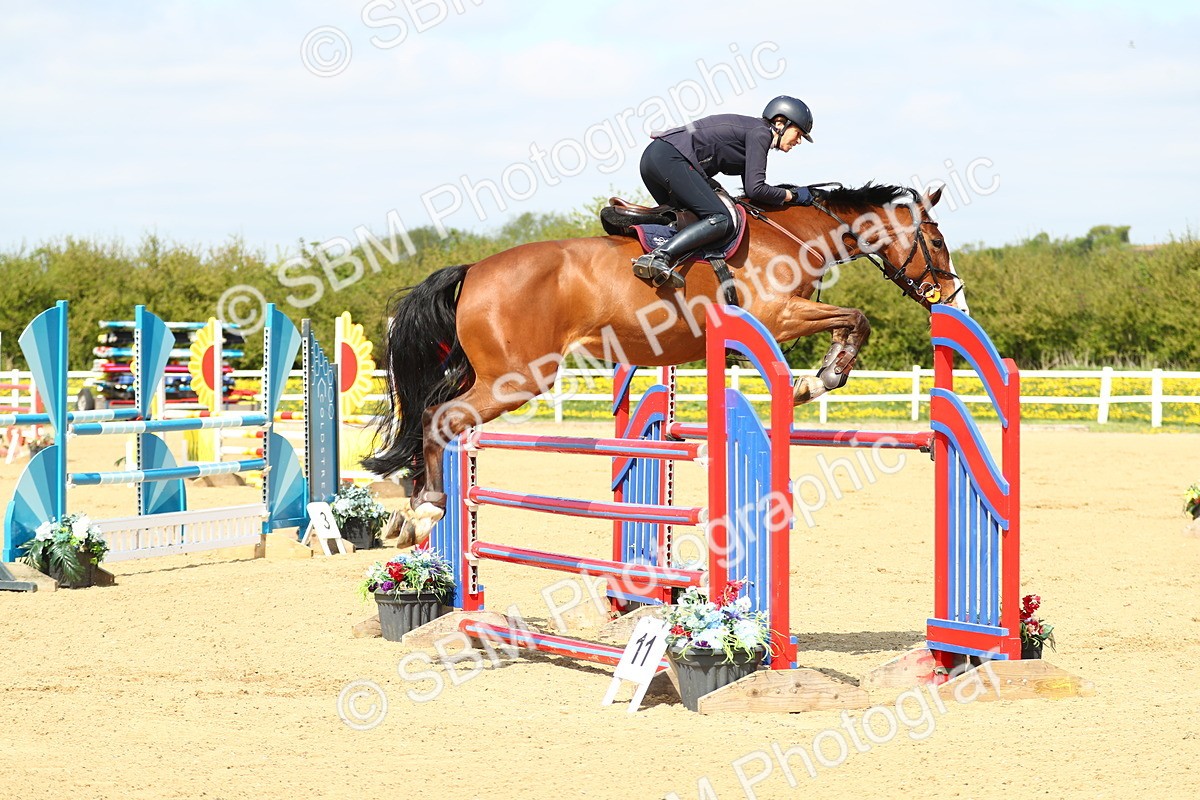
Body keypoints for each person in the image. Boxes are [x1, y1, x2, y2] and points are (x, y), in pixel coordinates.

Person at [632, 95, 816, 288]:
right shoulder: (761, 133)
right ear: (780, 123)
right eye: (798, 133)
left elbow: (752, 191)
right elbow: (756, 189)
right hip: (670, 158)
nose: (799, 141)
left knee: (689, 220)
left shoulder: (754, 132)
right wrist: (792, 195)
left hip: (654, 158)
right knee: (721, 219)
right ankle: (658, 257)